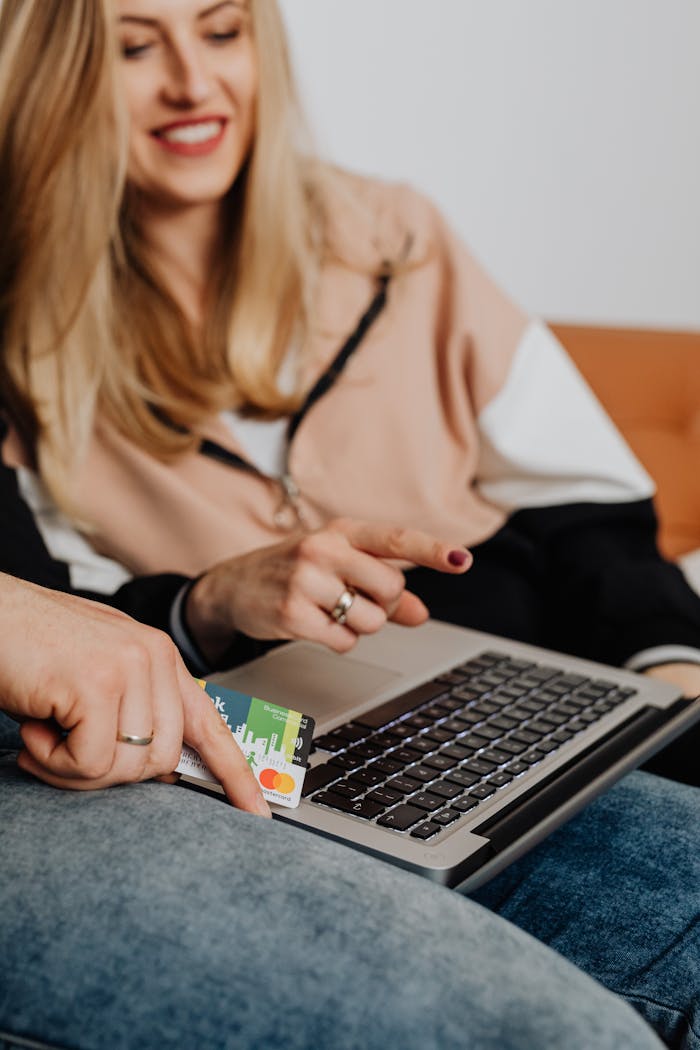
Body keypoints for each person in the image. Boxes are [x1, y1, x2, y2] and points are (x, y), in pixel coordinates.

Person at [0, 1, 698, 1046]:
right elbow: (72, 627)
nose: (193, 83)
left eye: (223, 31)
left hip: (536, 692)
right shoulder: (32, 340)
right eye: (134, 47)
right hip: (292, 761)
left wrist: (673, 668)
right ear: (57, 81)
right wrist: (210, 601)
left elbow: (583, 501)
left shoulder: (393, 235)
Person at [0, 572, 692, 1050]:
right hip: (50, 762)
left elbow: (53, 580)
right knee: (561, 1035)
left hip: (124, 701)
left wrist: (197, 605)